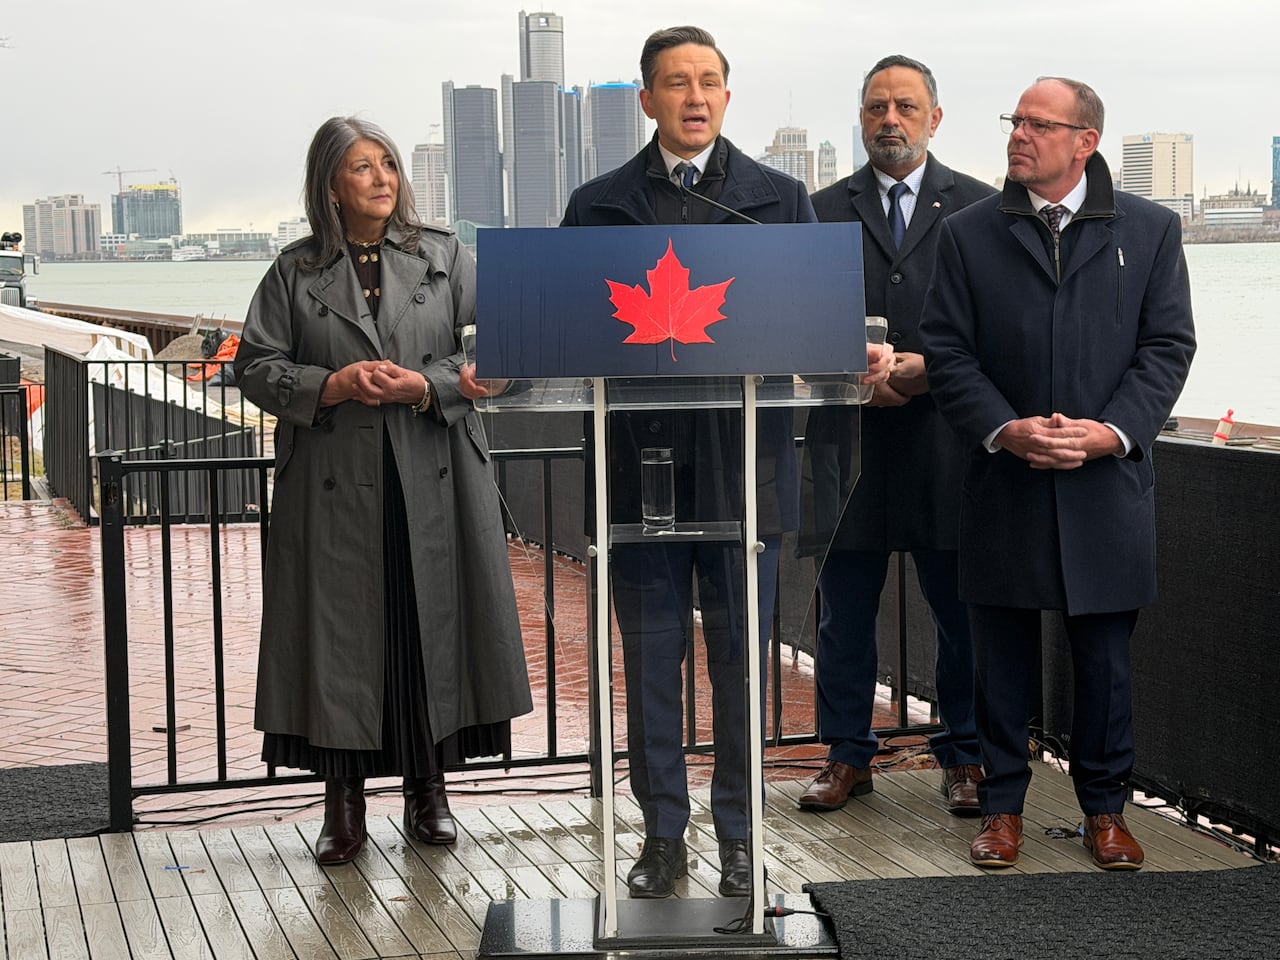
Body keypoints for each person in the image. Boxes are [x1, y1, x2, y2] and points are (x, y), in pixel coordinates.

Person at [562, 26, 892, 899]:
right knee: (651, 669)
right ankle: (662, 837)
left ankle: (740, 837)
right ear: (647, 99)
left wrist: (852, 353)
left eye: (709, 81)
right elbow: (561, 332)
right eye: (677, 83)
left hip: (747, 475)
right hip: (636, 477)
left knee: (743, 669)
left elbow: (820, 327)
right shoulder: (597, 206)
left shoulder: (778, 201)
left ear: (727, 96)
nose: (695, 97)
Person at [234, 117, 532, 866]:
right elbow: (255, 366)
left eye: (388, 164)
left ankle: (429, 792)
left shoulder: (444, 255)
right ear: (330, 185)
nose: (381, 178)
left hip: (433, 475)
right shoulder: (293, 271)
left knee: (428, 628)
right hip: (334, 487)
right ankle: (343, 806)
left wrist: (424, 386)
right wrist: (331, 383)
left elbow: (512, 347)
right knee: (343, 643)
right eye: (362, 167)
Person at [919, 78, 1195, 870]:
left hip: (1106, 487)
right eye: (1016, 121)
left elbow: (1168, 346)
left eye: (1038, 124)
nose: (1019, 134)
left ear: (1085, 141)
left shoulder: (1150, 230)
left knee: (1105, 665)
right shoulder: (967, 234)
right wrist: (1006, 429)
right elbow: (947, 352)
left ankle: (1106, 813)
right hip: (1004, 481)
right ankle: (1001, 810)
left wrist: (1111, 433)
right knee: (999, 664)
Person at [798, 55, 994, 818]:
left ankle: (966, 753)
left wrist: (925, 371)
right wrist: (845, 372)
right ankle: (846, 755)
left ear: (934, 118)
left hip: (948, 445)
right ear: (861, 118)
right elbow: (789, 321)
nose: (890, 119)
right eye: (877, 106)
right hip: (846, 443)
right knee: (843, 615)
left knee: (962, 615)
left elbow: (998, 331)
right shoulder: (814, 212)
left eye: (906, 106)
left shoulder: (981, 208)